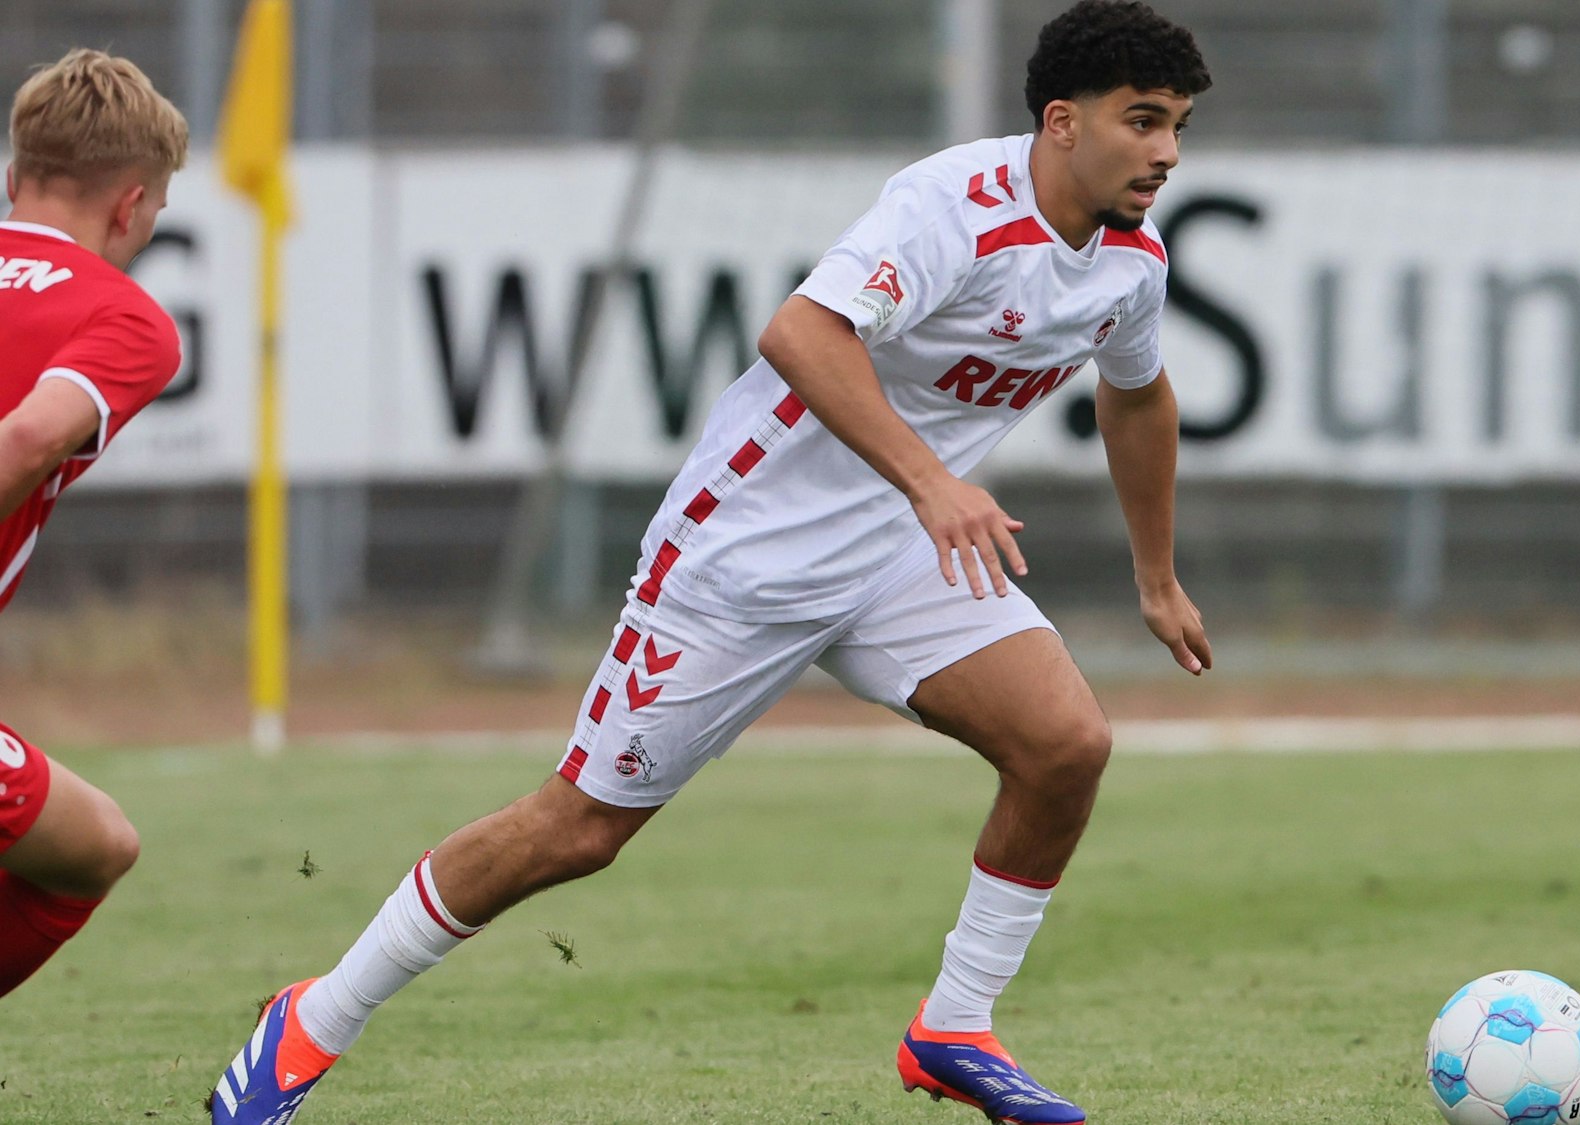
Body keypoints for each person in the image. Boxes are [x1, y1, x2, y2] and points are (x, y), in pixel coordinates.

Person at [209, 3, 1212, 1121]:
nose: (1165, 152)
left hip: (895, 555)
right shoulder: (952, 208)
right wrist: (931, 480)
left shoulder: (1129, 260)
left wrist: (1155, 578)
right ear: (1063, 122)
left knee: (1064, 745)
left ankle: (953, 1027)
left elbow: (1137, 399)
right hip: (746, 556)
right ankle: (312, 1020)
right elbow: (799, 332)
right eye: (1143, 122)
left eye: (1175, 126)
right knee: (577, 831)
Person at [0, 49, 189, 997]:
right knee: (92, 848)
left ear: (11, 176)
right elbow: (30, 434)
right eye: (153, 216)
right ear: (129, 207)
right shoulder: (124, 319)